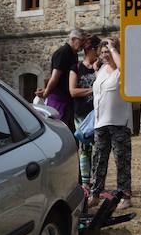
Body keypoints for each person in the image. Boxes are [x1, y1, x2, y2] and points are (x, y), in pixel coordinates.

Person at [89, 37, 133, 211]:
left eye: (108, 51)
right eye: (103, 51)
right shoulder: (101, 70)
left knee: (121, 160)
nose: (105, 54)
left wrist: (114, 49)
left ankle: (125, 195)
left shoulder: (122, 68)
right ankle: (95, 193)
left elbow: (124, 68)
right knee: (98, 159)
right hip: (100, 122)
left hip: (119, 122)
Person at [36, 29, 86, 131]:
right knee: (59, 130)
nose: (83, 44)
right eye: (81, 41)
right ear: (73, 39)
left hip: (67, 100)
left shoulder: (73, 54)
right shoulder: (62, 53)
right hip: (59, 100)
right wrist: (46, 93)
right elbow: (55, 77)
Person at [70, 35, 101, 186]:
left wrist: (96, 71)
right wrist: (93, 89)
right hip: (81, 114)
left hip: (98, 113)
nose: (100, 53)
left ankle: (97, 181)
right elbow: (73, 91)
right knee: (84, 148)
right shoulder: (76, 68)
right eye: (98, 49)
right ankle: (85, 183)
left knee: (99, 149)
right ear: (90, 50)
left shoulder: (100, 67)